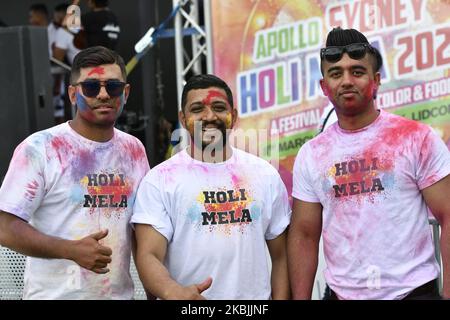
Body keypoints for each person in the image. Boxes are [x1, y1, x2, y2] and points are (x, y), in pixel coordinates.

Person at [287, 27, 450, 300]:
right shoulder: (311, 154)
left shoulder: (416, 138)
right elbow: (303, 235)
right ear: (324, 86)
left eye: (357, 71)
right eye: (336, 73)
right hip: (341, 294)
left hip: (413, 293)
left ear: (376, 80)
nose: (347, 80)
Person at [0, 46, 150, 299]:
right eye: (91, 87)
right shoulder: (41, 148)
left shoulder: (134, 150)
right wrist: (70, 249)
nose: (103, 94)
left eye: (112, 87)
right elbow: (5, 227)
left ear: (125, 93)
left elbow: (142, 231)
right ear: (72, 94)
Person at [131, 74, 291, 300]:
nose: (209, 116)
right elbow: (148, 255)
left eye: (219, 107)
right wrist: (175, 293)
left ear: (233, 116)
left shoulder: (265, 175)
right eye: (197, 109)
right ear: (183, 118)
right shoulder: (159, 181)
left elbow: (282, 257)